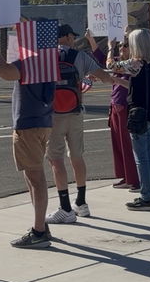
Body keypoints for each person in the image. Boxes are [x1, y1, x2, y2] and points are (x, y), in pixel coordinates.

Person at [0, 16, 55, 248]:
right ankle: (40, 223)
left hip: (29, 126)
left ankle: (39, 231)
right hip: (42, 123)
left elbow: (2, 71)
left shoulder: (29, 62)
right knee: (32, 176)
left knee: (35, 177)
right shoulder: (46, 59)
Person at [45, 24, 112, 225]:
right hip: (75, 112)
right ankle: (81, 202)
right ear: (65, 37)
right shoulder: (80, 56)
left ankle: (64, 207)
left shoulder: (46, 57)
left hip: (53, 115)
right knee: (76, 156)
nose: (73, 39)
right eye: (71, 36)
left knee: (55, 160)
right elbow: (104, 77)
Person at [120, 28, 150, 211]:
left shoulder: (135, 64)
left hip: (139, 115)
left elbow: (111, 65)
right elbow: (135, 85)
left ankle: (146, 196)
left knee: (141, 158)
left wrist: (111, 46)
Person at [106, 40, 140, 191]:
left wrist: (109, 48)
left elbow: (131, 85)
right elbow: (109, 65)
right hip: (115, 104)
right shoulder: (122, 63)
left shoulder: (133, 64)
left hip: (125, 105)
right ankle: (125, 176)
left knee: (126, 144)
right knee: (118, 143)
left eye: (125, 45)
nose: (122, 48)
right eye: (120, 46)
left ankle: (133, 179)